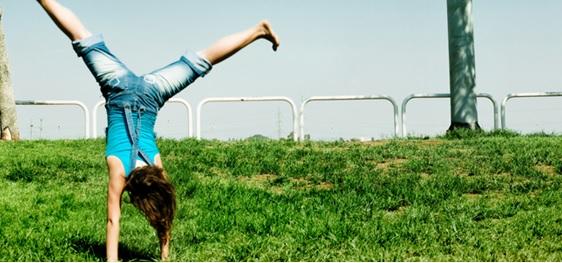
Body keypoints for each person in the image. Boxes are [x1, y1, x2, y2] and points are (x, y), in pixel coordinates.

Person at [36, 0, 280, 261]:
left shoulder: (156, 165)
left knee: (202, 59)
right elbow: (112, 221)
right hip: (118, 86)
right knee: (81, 37)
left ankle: (258, 31)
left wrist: (165, 255)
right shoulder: (119, 171)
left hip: (152, 91)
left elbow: (158, 210)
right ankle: (258, 31)